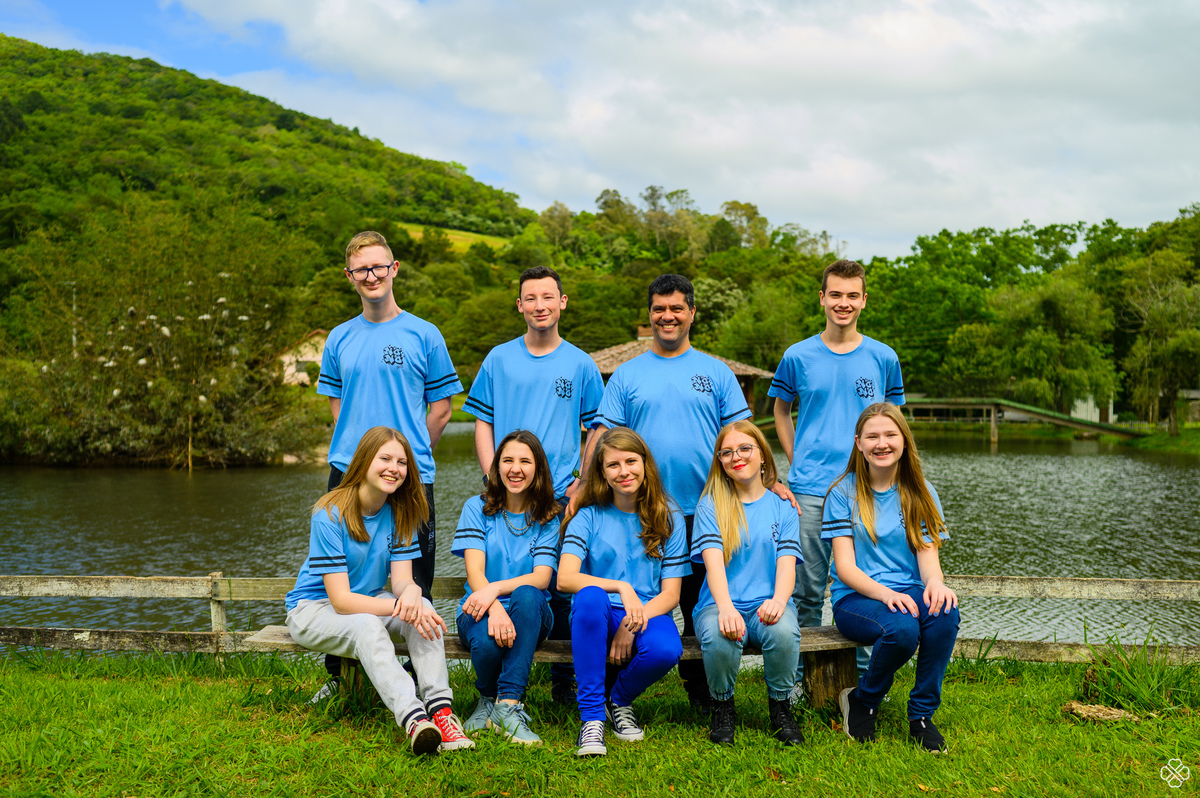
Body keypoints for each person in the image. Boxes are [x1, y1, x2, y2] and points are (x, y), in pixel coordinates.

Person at [590, 273, 795, 709]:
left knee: (701, 603)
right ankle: (611, 684)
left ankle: (704, 690)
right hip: (648, 512)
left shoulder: (715, 372)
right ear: (649, 315)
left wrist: (772, 479)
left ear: (691, 314)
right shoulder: (626, 376)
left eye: (676, 308)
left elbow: (741, 436)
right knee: (639, 597)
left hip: (709, 510)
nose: (668, 316)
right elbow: (604, 435)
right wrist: (580, 483)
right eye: (659, 309)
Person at [315, 230, 463, 692]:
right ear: (350, 277)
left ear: (394, 268)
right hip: (347, 473)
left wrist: (410, 457)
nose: (372, 275)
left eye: (379, 266)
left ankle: (422, 680)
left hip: (411, 474)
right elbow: (337, 404)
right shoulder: (339, 338)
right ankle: (342, 679)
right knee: (345, 574)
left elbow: (442, 407)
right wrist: (361, 460)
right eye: (362, 269)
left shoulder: (425, 333)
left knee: (415, 576)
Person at [285, 427, 473, 754]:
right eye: (384, 458)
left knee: (424, 615)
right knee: (369, 625)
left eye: (401, 462)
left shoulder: (400, 511)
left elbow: (401, 581)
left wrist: (413, 594)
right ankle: (414, 718)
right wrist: (404, 605)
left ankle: (442, 713)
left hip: (369, 599)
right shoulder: (329, 513)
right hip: (313, 608)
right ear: (364, 461)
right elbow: (341, 601)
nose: (394, 468)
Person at [462, 265, 603, 704]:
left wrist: (581, 479)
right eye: (530, 298)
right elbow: (482, 420)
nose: (539, 305)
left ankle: (565, 683)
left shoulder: (580, 363)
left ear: (562, 303)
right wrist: (492, 475)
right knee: (520, 581)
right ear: (519, 305)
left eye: (548, 297)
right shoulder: (499, 359)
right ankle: (506, 685)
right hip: (507, 487)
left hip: (561, 494)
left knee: (562, 589)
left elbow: (596, 428)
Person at [769, 259, 905, 690]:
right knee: (805, 591)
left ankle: (861, 684)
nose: (842, 303)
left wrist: (884, 467)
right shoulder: (798, 355)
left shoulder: (884, 357)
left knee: (863, 590)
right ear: (822, 298)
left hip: (864, 489)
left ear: (863, 300)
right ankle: (797, 683)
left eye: (852, 295)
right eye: (835, 294)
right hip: (808, 489)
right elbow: (780, 410)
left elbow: (894, 422)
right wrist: (797, 458)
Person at [823, 403, 959, 752]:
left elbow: (928, 559)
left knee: (944, 614)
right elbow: (845, 568)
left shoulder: (921, 491)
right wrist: (885, 595)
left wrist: (936, 584)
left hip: (910, 592)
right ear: (858, 443)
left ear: (903, 440)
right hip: (856, 599)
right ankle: (864, 700)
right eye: (872, 436)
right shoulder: (842, 493)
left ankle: (922, 716)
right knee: (900, 629)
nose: (881, 443)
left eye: (889, 435)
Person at [557, 427, 689, 757]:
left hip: (648, 611)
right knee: (589, 595)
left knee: (665, 649)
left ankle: (618, 700)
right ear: (601, 472)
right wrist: (620, 586)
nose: (624, 471)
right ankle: (591, 720)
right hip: (597, 612)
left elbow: (671, 594)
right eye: (613, 465)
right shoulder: (587, 516)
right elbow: (566, 578)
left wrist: (633, 621)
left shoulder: (668, 515)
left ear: (645, 464)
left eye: (631, 461)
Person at [692, 420, 805, 746]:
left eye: (744, 449)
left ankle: (781, 706)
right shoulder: (710, 505)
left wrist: (780, 601)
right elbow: (713, 567)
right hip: (719, 602)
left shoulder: (783, 506)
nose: (736, 457)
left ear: (763, 457)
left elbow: (787, 567)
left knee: (783, 629)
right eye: (726, 453)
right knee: (720, 633)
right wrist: (725, 608)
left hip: (767, 601)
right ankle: (723, 705)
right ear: (721, 463)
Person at [452, 430, 561, 745]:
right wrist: (496, 608)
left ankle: (507, 705)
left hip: (531, 614)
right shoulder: (477, 507)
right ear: (496, 466)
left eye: (525, 461)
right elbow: (475, 573)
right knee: (487, 642)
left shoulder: (548, 516)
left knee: (528, 593)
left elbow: (541, 578)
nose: (516, 468)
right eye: (508, 460)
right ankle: (487, 699)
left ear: (537, 469)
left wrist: (494, 590)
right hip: (478, 609)